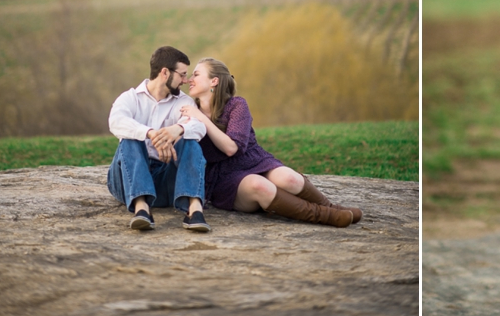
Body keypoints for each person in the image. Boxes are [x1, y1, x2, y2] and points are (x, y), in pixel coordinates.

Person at [179, 57, 362, 228]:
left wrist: (203, 120)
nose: (189, 80)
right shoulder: (190, 113)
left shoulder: (236, 105)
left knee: (289, 178)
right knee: (260, 186)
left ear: (214, 81)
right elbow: (223, 152)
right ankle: (326, 216)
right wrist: (198, 118)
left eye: (196, 74)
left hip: (254, 161)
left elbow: (232, 147)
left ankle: (331, 207)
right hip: (223, 179)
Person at [107, 46, 211, 232]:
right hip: (127, 182)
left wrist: (177, 129)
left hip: (166, 182)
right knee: (130, 137)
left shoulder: (183, 102)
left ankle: (195, 210)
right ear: (165, 72)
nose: (186, 80)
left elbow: (199, 126)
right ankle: (141, 210)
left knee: (190, 140)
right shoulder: (130, 98)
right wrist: (150, 133)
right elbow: (116, 122)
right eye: (182, 74)